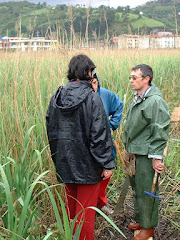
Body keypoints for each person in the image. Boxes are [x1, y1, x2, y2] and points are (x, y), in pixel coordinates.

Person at [46, 54, 115, 240]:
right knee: (85, 214)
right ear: (88, 72)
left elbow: (51, 131)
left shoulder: (56, 97)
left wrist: (58, 158)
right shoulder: (93, 99)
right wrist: (107, 164)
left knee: (71, 208)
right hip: (88, 168)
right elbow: (100, 136)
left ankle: (69, 237)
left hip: (65, 162)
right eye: (92, 71)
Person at [123, 64, 170, 240]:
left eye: (135, 77)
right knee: (137, 188)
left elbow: (160, 129)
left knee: (147, 190)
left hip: (146, 153)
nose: (131, 81)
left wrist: (156, 157)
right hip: (136, 151)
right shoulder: (139, 98)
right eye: (130, 77)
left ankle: (148, 228)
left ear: (146, 79)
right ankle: (142, 221)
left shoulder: (155, 101)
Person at [91, 73, 124, 214]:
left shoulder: (104, 94)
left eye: (94, 82)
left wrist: (111, 125)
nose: (93, 86)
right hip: (89, 145)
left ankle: (101, 203)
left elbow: (119, 105)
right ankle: (90, 207)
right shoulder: (81, 98)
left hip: (105, 143)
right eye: (89, 83)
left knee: (106, 174)